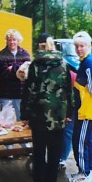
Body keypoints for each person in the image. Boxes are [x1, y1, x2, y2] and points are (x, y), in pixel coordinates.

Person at [20, 33, 73, 182]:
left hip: (39, 118)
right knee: (55, 153)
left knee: (39, 153)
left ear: (40, 46)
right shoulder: (63, 64)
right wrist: (69, 112)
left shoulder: (35, 65)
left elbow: (29, 92)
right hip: (58, 117)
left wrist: (25, 114)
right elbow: (69, 91)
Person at [70, 31, 92, 182]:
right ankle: (87, 172)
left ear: (88, 46)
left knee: (80, 143)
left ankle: (84, 174)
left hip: (86, 112)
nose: (79, 49)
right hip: (82, 111)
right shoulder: (83, 61)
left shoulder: (89, 63)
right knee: (86, 142)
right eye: (76, 46)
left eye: (82, 46)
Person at [0, 29, 31, 121]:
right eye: (9, 40)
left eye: (14, 39)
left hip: (21, 93)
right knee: (4, 121)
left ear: (18, 40)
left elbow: (28, 72)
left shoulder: (25, 54)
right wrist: (20, 69)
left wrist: (12, 67)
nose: (12, 42)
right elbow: (4, 73)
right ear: (7, 41)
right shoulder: (2, 54)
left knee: (22, 121)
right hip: (6, 93)